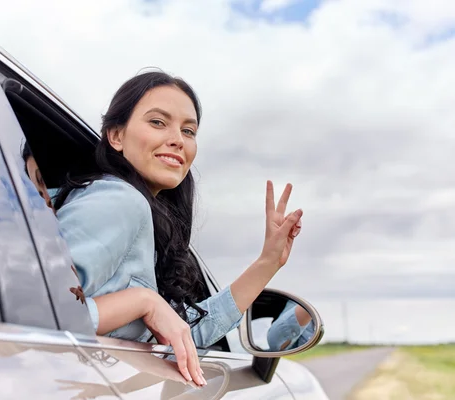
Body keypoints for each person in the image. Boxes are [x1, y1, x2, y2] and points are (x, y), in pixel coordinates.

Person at [22, 70, 303, 386]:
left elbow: (179, 336)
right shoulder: (120, 201)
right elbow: (37, 314)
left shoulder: (142, 218)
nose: (177, 140)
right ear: (116, 136)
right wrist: (143, 301)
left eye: (188, 130)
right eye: (158, 122)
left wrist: (268, 262)